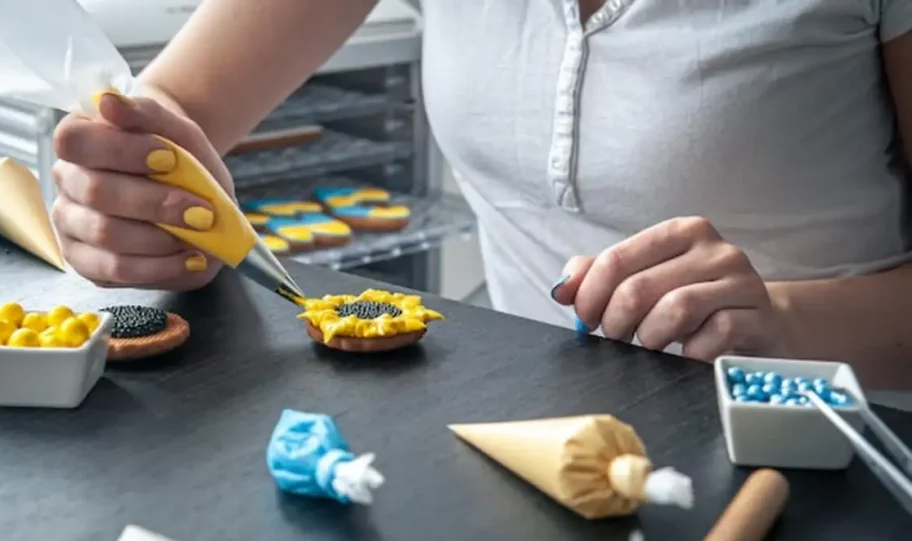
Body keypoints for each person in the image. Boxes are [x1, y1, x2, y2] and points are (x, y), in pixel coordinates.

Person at [51, 0, 912, 391]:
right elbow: (163, 121)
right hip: (525, 444)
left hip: (845, 463)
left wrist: (783, 325)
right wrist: (121, 187)